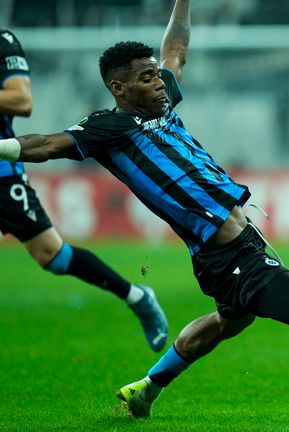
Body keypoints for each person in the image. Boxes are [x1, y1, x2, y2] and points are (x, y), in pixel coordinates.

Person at [0, 0, 289, 419]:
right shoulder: (106, 128)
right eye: (145, 78)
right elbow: (43, 144)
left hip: (237, 245)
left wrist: (183, 1)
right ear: (118, 88)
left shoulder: (161, 101)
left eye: (156, 74)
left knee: (227, 322)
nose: (158, 81)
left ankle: (148, 388)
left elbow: (175, 48)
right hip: (230, 259)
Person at [0, 28, 168, 352]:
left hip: (3, 174)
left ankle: (136, 295)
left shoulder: (3, 42)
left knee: (53, 255)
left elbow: (21, 100)